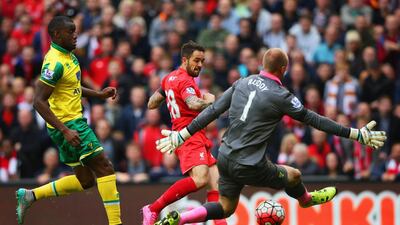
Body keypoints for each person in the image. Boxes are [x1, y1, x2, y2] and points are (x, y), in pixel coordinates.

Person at [154, 48, 387, 225]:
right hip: (250, 164)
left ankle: (181, 219)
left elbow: (212, 111)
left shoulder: (241, 83)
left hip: (224, 156)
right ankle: (306, 201)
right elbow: (315, 120)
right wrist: (356, 133)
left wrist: (181, 135)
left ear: (261, 65)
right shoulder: (281, 95)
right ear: (284, 69)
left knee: (225, 207)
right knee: (294, 175)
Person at [15, 16, 122, 225]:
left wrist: (98, 94)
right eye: (70, 32)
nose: (76, 35)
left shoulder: (69, 56)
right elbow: (38, 101)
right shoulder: (54, 62)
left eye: (75, 31)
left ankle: (30, 195)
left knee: (86, 181)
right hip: (69, 124)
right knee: (105, 167)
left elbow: (71, 87)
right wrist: (65, 130)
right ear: (56, 35)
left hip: (66, 125)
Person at [143, 41, 226, 225]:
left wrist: (170, 94)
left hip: (195, 135)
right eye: (196, 60)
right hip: (189, 135)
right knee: (200, 179)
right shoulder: (185, 80)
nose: (200, 65)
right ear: (184, 59)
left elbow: (151, 103)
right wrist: (210, 101)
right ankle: (153, 208)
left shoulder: (169, 78)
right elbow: (193, 104)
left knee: (215, 185)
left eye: (203, 61)